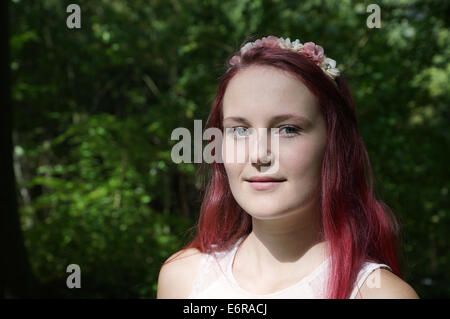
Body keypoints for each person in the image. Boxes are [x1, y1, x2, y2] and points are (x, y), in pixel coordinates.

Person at [157, 35, 419, 299]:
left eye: (288, 129)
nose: (259, 155)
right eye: (239, 130)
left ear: (333, 143)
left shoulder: (380, 294)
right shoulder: (182, 279)